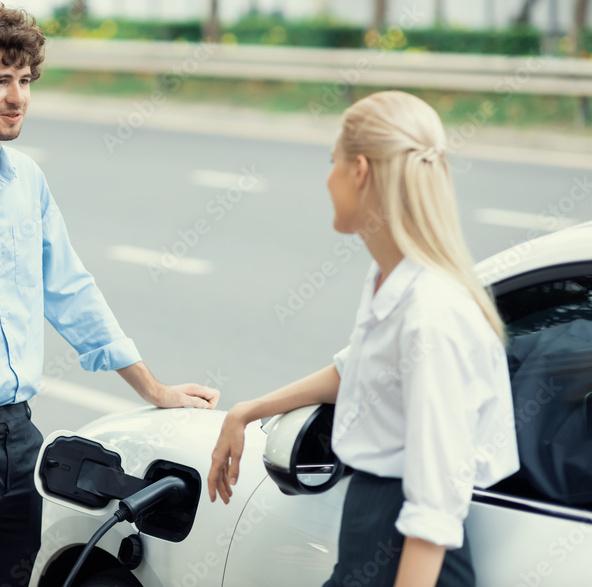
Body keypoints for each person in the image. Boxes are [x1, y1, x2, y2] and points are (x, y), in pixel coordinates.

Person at [0, 4, 219, 587]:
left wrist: (153, 387)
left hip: (19, 437)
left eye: (25, 81)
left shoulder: (28, 182)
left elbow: (70, 290)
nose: (17, 96)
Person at [207, 91, 519, 586]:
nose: (327, 180)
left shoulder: (432, 313)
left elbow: (434, 510)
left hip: (408, 560)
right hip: (369, 544)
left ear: (360, 171)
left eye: (331, 163)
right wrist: (246, 412)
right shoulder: (390, 280)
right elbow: (358, 371)